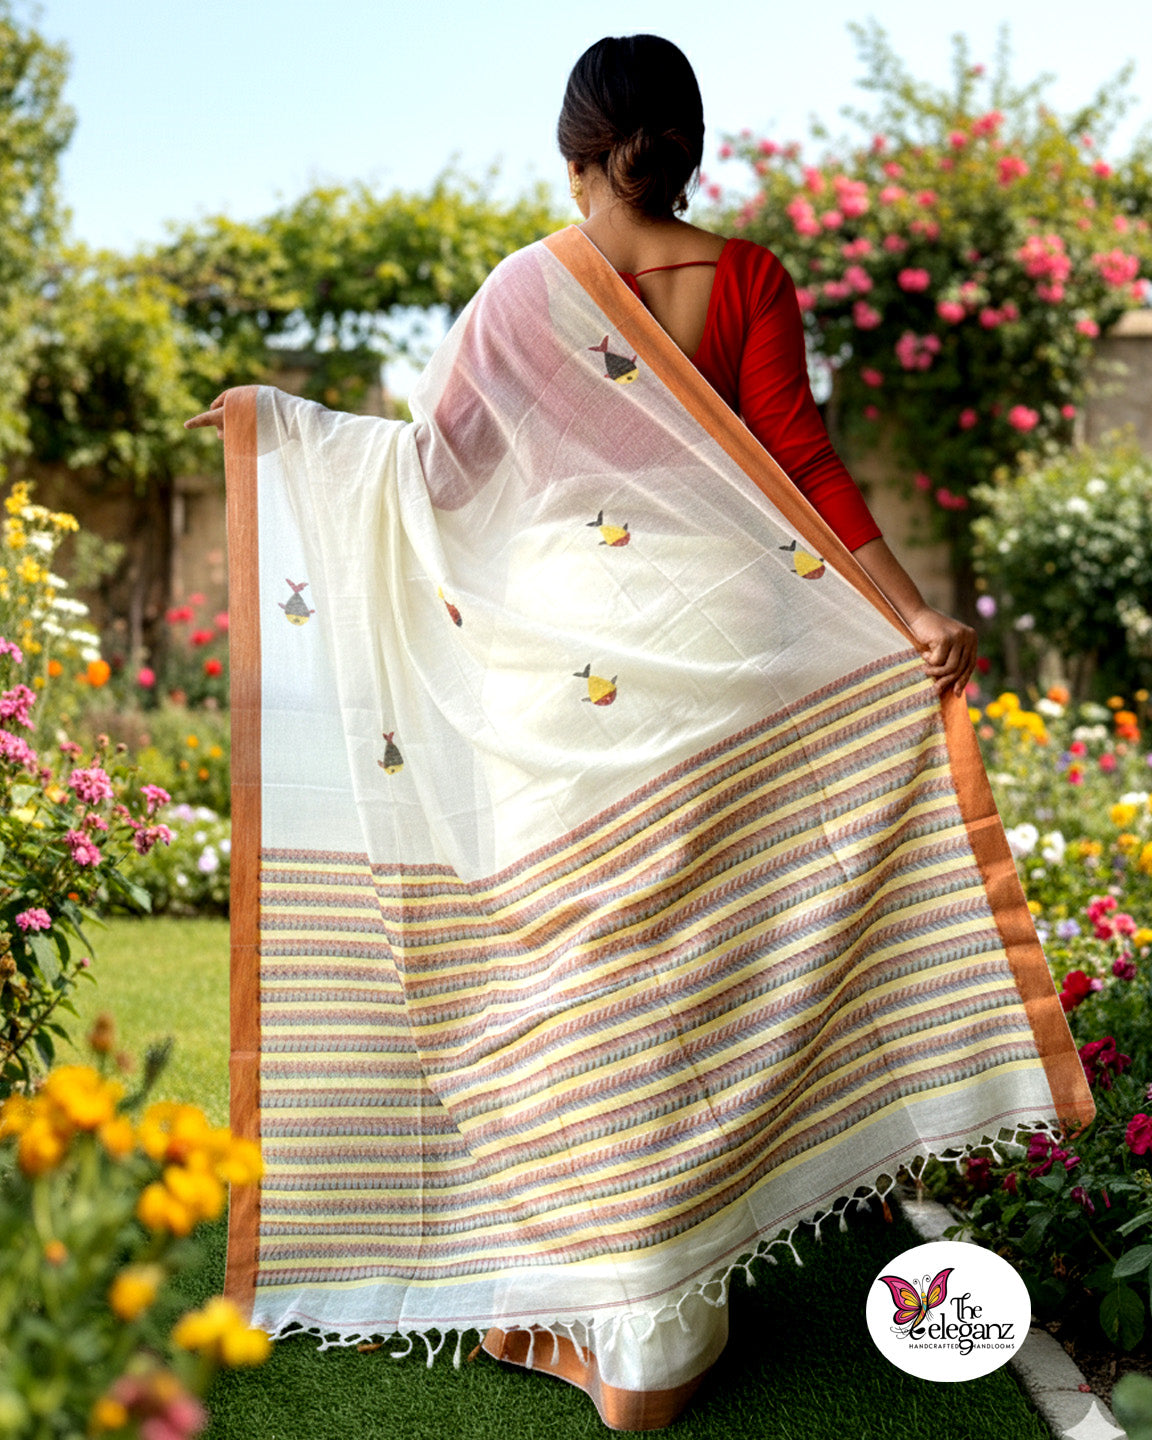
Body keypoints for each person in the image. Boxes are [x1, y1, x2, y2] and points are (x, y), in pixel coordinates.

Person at [185, 34, 1089, 1435]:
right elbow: (800, 457)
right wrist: (908, 611)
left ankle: (618, 1305)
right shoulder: (748, 278)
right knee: (703, 963)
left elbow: (430, 478)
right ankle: (665, 1304)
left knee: (588, 966)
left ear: (575, 154)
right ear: (686, 148)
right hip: (730, 648)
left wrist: (281, 429)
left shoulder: (520, 292)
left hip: (566, 668)